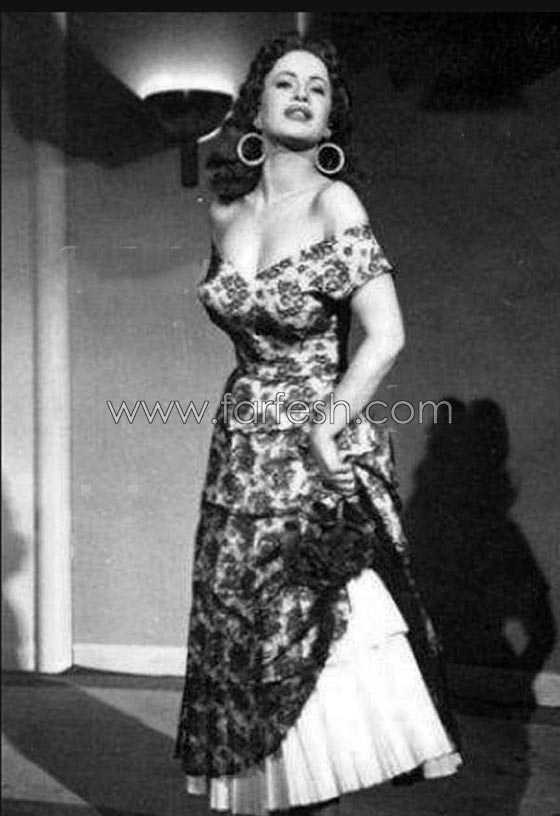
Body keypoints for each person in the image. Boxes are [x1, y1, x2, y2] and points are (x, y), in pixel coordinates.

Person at [175, 31, 463, 816]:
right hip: (240, 456)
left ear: (331, 119)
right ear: (255, 107)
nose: (302, 94)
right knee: (244, 634)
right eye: (285, 83)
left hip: (316, 454)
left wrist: (326, 430)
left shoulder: (336, 203)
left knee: (310, 651)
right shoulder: (225, 212)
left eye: (318, 88)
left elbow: (386, 333)